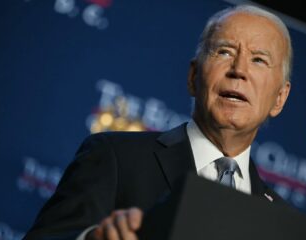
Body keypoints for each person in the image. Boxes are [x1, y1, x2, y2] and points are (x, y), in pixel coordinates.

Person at [24, 3, 292, 240]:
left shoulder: (280, 219)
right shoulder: (115, 156)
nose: (239, 70)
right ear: (192, 77)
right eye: (224, 52)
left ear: (279, 98)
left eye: (258, 60)